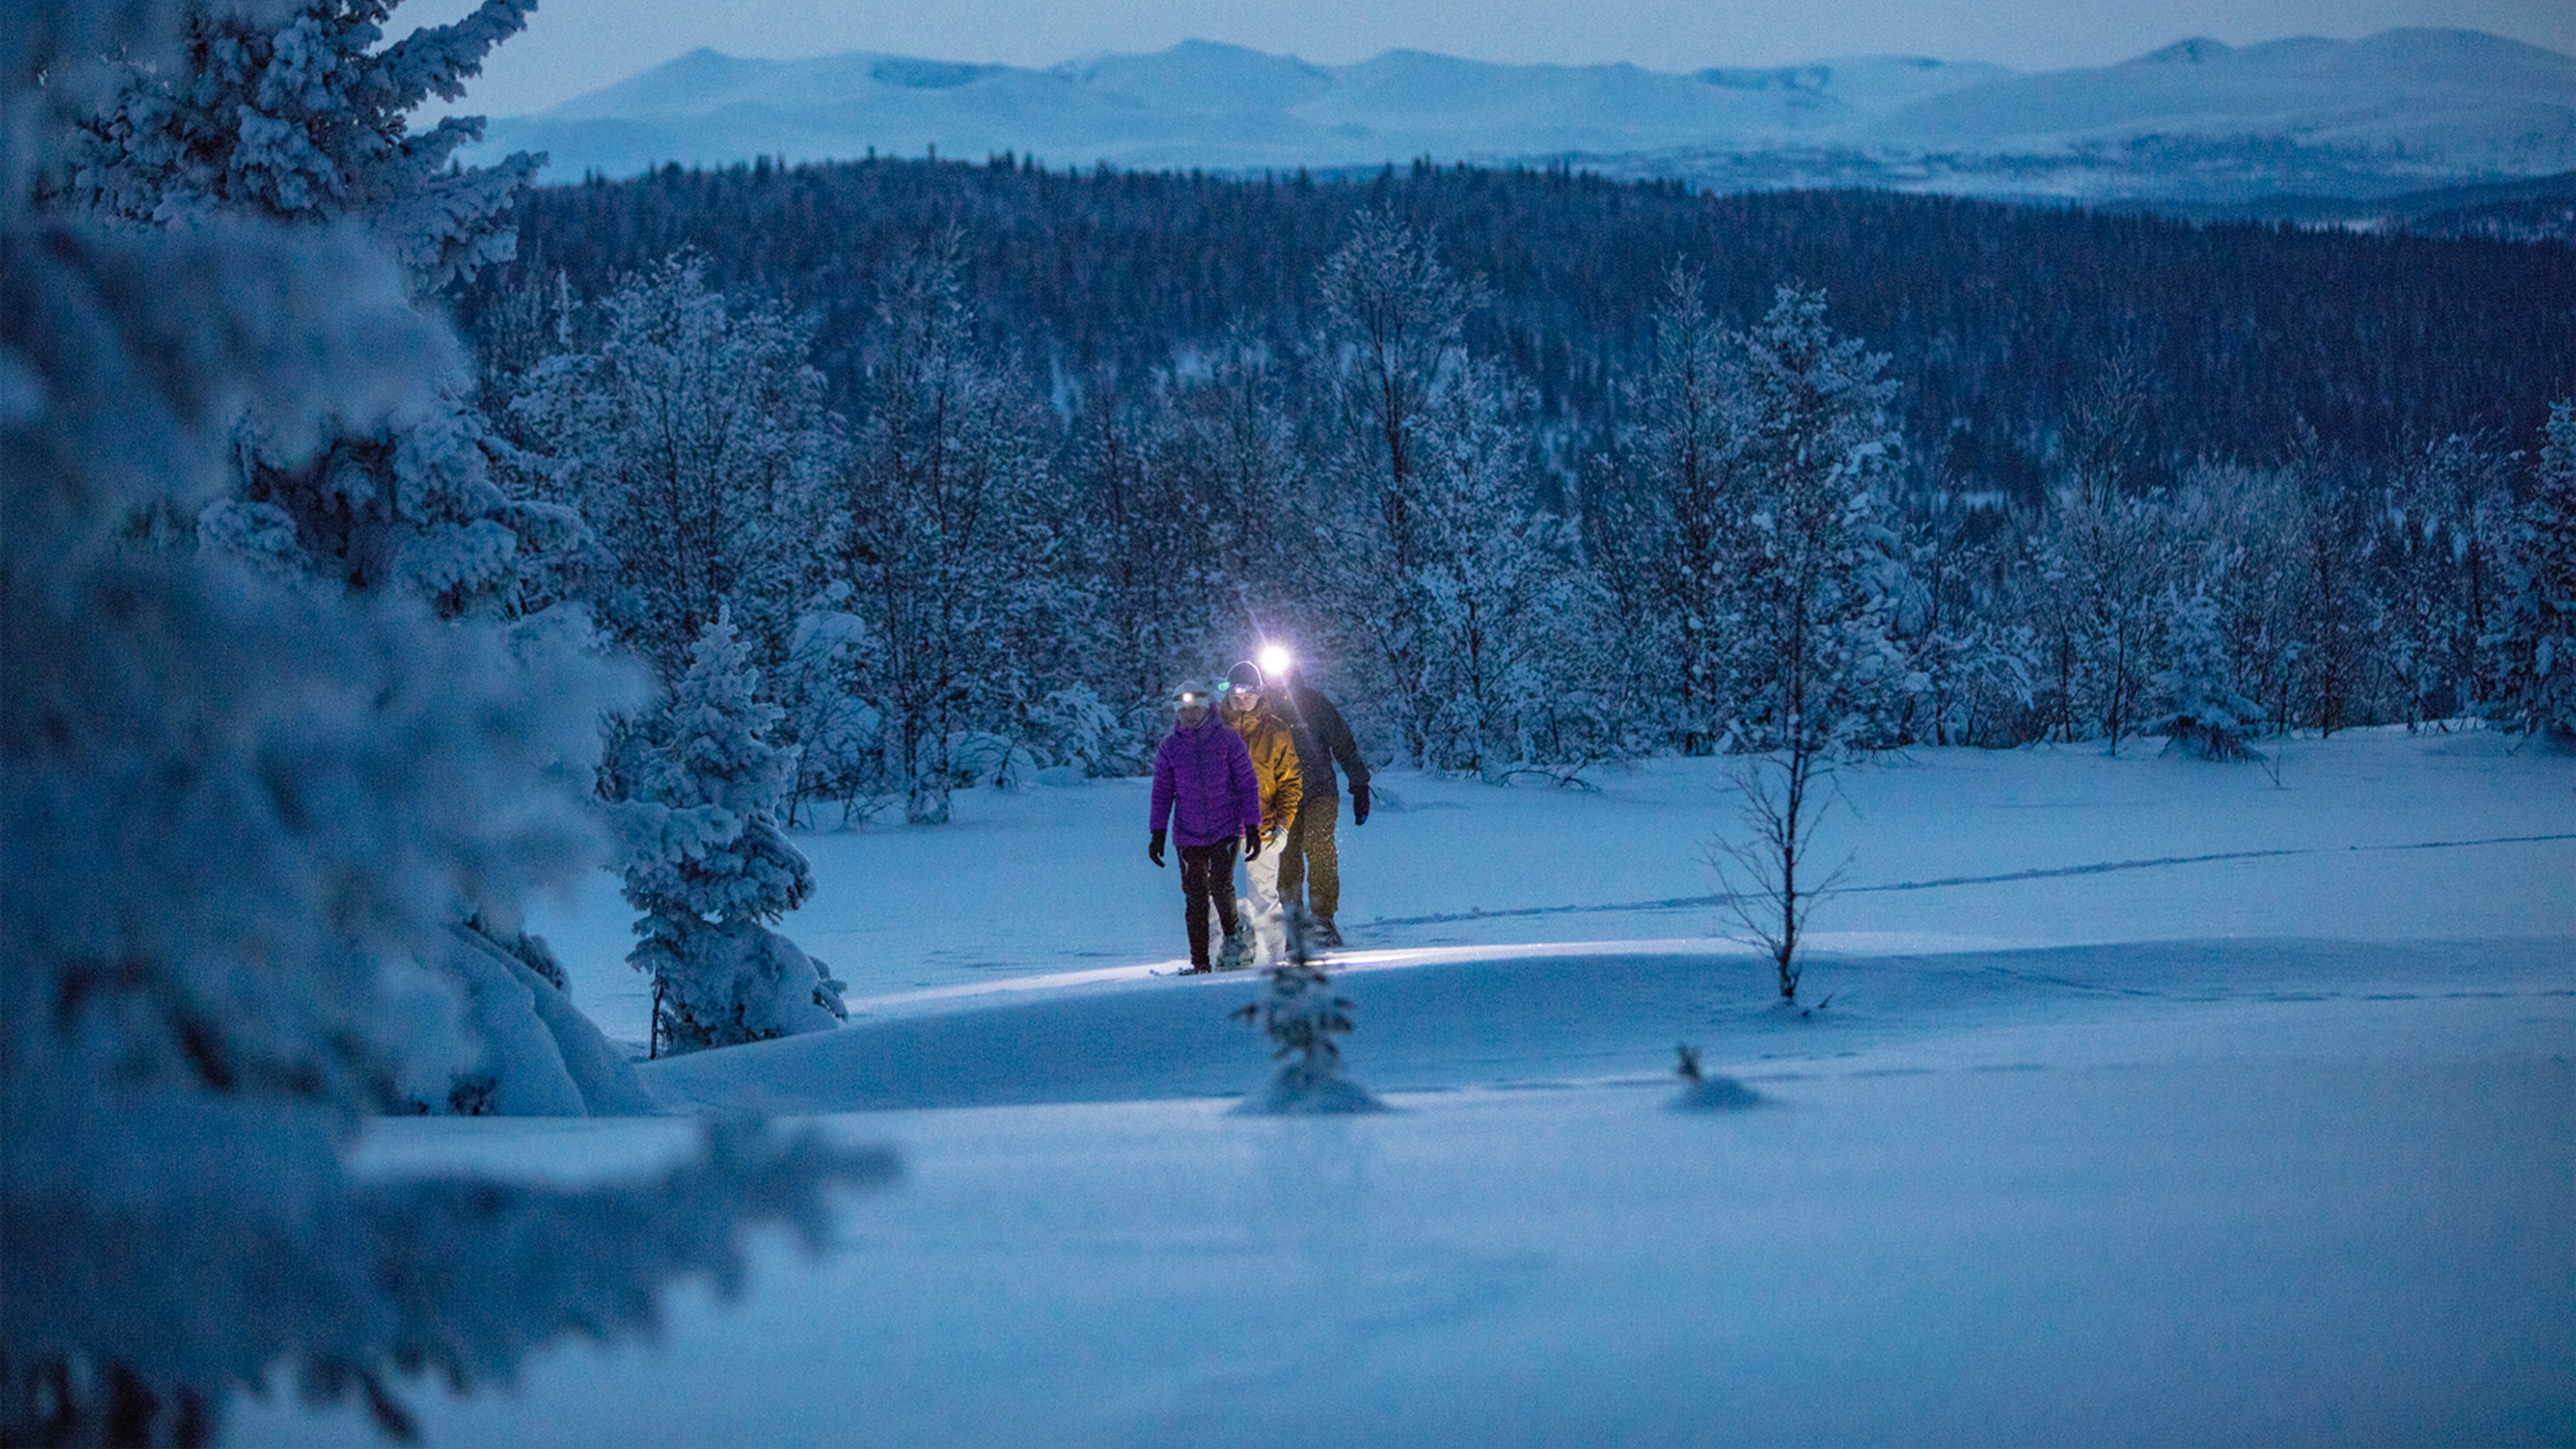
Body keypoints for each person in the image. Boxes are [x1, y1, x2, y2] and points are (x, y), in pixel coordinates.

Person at [1148, 683, 1263, 973]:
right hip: (1188, 833)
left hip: (1226, 826)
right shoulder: (1170, 748)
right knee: (1195, 895)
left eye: (1195, 709)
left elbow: (1247, 784)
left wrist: (1252, 826)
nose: (1189, 715)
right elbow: (1162, 792)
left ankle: (1234, 937)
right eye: (1183, 711)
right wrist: (1158, 832)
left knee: (1221, 884)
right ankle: (1200, 962)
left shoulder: (1228, 740)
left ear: (1207, 708)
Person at [1264, 655, 1371, 949]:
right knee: (1286, 857)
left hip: (1319, 790)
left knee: (1320, 846)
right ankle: (1294, 921)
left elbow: (1344, 745)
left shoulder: (1315, 704)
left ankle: (1323, 919)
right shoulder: (1262, 710)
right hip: (1281, 798)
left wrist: (1359, 783)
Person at [1218, 659, 1303, 967]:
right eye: (1235, 697)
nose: (1241, 703)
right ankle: (1215, 959)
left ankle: (1273, 963)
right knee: (1216, 897)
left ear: (1260, 694)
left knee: (1265, 898)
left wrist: (1284, 825)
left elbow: (1291, 781)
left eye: (1248, 696)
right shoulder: (1213, 730)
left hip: (1264, 824)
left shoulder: (1277, 731)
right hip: (1220, 826)